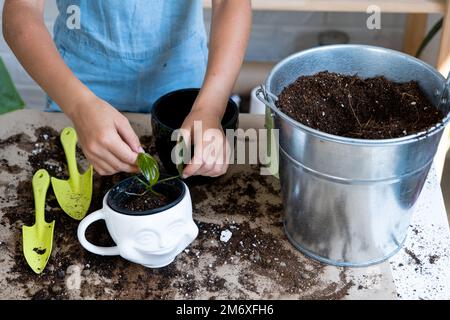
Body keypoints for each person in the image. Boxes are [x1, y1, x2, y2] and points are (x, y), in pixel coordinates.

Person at [3, 0, 251, 177]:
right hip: (78, 86)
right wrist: (79, 106)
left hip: (183, 82)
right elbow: (22, 11)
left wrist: (210, 107)